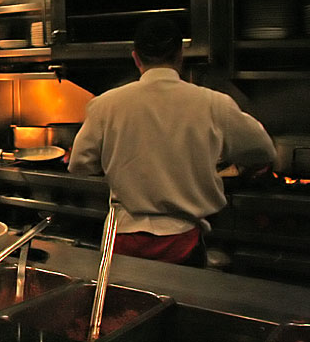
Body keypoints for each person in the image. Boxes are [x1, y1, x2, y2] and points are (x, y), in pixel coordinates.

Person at [68, 17, 276, 267]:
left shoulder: (105, 105)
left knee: (124, 305)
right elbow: (263, 151)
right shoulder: (213, 103)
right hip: (182, 240)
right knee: (180, 305)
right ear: (180, 55)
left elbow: (79, 164)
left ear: (136, 58)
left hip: (123, 238)